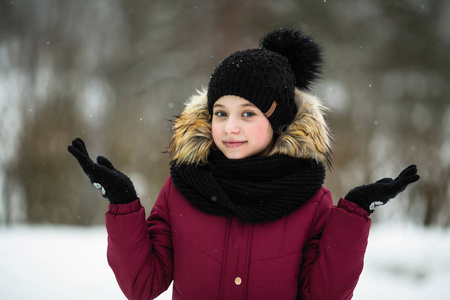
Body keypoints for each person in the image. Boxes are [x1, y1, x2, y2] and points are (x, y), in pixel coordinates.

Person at [68, 28, 420, 300]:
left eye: (248, 113)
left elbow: (324, 294)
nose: (230, 127)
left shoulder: (311, 201)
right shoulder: (183, 187)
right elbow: (142, 284)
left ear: (278, 119)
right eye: (220, 113)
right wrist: (123, 203)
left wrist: (353, 215)